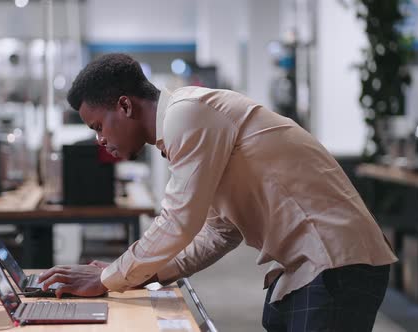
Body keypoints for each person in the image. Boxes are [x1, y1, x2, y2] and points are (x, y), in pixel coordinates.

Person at [38, 53, 397, 331]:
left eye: (98, 126)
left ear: (125, 106)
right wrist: (140, 274)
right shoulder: (188, 124)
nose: (100, 139)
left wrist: (108, 277)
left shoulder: (187, 114)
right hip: (318, 264)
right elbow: (217, 231)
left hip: (335, 259)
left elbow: (179, 220)